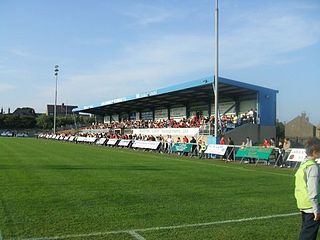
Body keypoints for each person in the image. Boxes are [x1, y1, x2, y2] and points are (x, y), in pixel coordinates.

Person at [295, 137, 320, 240]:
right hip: (311, 205)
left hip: (303, 202)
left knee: (306, 230)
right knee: (308, 234)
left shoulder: (304, 164)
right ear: (315, 152)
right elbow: (313, 189)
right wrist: (316, 209)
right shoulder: (313, 167)